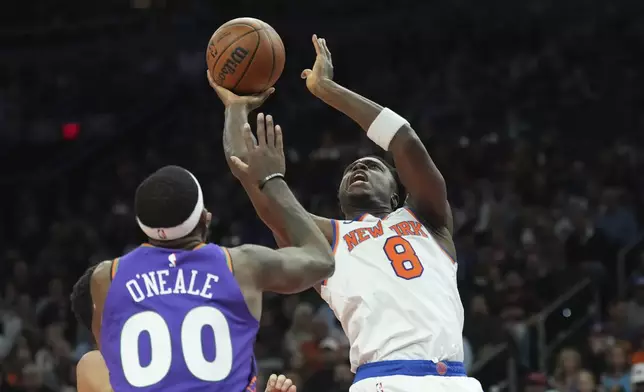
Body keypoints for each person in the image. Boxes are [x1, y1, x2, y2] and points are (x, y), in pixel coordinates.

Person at [211, 35, 482, 392]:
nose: (358, 170)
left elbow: (406, 140)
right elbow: (250, 173)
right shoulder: (324, 240)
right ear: (339, 199)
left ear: (396, 193)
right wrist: (234, 107)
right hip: (383, 379)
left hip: (454, 381)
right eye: (350, 171)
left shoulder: (428, 220)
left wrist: (328, 89)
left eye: (372, 166)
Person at [82, 114, 335, 392]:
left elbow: (113, 357)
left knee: (92, 366)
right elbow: (321, 258)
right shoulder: (240, 265)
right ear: (206, 218)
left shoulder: (106, 277)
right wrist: (272, 180)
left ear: (145, 227)